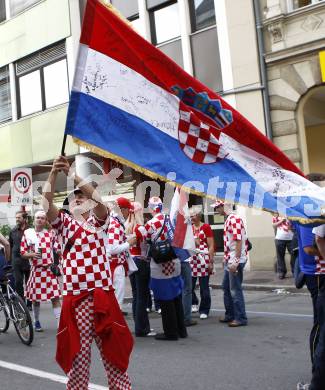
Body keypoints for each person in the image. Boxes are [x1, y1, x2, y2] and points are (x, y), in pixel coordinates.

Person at [42, 156, 133, 390]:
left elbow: (99, 199)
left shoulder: (100, 222)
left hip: (103, 296)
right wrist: (54, 172)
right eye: (74, 198)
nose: (78, 199)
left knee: (115, 360)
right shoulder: (62, 225)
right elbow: (45, 204)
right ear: (69, 206)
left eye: (82, 196)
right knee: (78, 363)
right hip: (76, 300)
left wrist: (72, 174)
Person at [140, 196, 187, 340]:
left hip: (160, 264)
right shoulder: (170, 220)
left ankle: (171, 332)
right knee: (176, 296)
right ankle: (181, 330)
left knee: (166, 299)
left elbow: (143, 241)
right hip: (174, 261)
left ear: (151, 208)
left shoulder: (150, 224)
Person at [20, 210, 61, 331]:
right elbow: (22, 253)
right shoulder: (28, 234)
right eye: (38, 217)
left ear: (45, 221)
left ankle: (60, 324)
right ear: (34, 220)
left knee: (55, 298)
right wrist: (32, 254)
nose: (40, 220)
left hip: (49, 270)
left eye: (43, 218)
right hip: (36, 271)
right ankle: (36, 321)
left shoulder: (50, 234)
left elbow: (58, 248)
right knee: (35, 300)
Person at [214, 201, 248, 327]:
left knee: (234, 289)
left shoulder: (233, 219)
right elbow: (232, 242)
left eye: (217, 207)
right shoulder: (231, 219)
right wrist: (226, 257)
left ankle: (240, 318)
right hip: (232, 258)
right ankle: (231, 314)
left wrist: (235, 261)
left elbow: (238, 241)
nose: (216, 210)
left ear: (223, 206)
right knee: (227, 287)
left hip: (235, 259)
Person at [126, 201, 155, 336]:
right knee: (142, 296)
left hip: (131, 262)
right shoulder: (140, 228)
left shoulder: (126, 226)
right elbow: (145, 247)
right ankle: (143, 328)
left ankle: (139, 326)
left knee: (136, 295)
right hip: (141, 262)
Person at [106, 197, 136, 311]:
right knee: (116, 303)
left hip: (114, 265)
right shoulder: (114, 223)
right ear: (123, 209)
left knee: (114, 301)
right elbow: (113, 248)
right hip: (115, 266)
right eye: (128, 209)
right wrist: (129, 243)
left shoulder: (114, 221)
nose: (129, 213)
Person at [189, 205, 214, 320]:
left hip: (203, 260)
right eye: (190, 216)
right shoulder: (190, 228)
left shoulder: (206, 227)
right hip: (192, 260)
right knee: (189, 286)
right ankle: (194, 302)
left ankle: (204, 310)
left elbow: (211, 245)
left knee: (204, 288)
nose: (191, 218)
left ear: (198, 216)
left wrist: (211, 261)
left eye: (193, 216)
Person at [9, 211, 32, 307]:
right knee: (18, 282)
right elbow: (10, 245)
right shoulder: (13, 231)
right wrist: (10, 260)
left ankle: (30, 303)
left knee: (29, 282)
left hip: (29, 259)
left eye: (19, 217)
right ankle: (22, 303)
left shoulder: (31, 230)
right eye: (16, 217)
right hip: (16, 260)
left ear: (24, 218)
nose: (17, 219)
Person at [272, 213, 294, 279]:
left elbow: (294, 226)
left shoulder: (291, 213)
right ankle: (281, 272)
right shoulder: (276, 214)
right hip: (279, 238)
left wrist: (290, 222)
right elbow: (274, 225)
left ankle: (295, 272)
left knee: (294, 256)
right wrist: (282, 221)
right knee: (280, 257)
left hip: (291, 239)